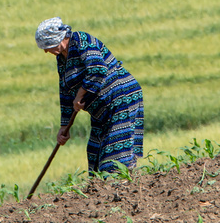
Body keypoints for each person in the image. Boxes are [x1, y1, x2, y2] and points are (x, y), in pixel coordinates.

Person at [35, 18, 144, 174]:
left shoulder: (82, 41)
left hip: (120, 99)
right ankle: (101, 187)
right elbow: (65, 92)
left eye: (47, 46)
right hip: (100, 109)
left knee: (114, 154)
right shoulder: (61, 58)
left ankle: (122, 184)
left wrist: (79, 95)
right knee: (95, 151)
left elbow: (98, 70)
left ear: (56, 39)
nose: (46, 51)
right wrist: (64, 126)